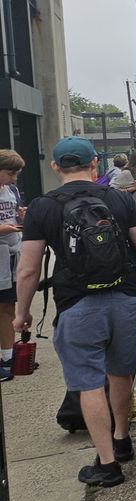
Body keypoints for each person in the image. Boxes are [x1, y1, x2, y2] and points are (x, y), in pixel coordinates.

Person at [13, 137, 136, 487]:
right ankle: (122, 439)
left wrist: (22, 312)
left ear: (56, 167)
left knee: (88, 381)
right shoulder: (119, 198)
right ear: (94, 165)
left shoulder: (43, 207)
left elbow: (28, 269)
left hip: (77, 302)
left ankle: (107, 463)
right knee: (120, 371)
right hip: (125, 298)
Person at [0, 149, 25, 381]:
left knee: (8, 307)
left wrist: (21, 217)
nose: (14, 178)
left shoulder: (12, 191)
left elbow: (15, 218)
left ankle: (8, 356)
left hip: (12, 254)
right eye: (10, 173)